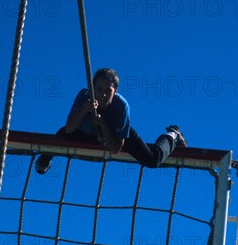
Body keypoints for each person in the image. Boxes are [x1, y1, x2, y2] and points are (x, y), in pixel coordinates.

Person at [36, 68, 187, 174]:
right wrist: (84, 109)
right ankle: (46, 157)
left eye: (108, 90)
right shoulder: (84, 96)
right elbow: (69, 129)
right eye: (99, 89)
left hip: (114, 135)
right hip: (86, 132)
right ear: (93, 88)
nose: (102, 95)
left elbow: (115, 148)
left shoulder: (121, 106)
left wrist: (103, 125)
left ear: (115, 92)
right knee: (61, 135)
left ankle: (173, 136)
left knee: (152, 160)